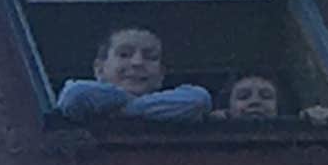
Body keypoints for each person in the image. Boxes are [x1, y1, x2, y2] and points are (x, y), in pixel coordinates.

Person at [53, 25, 218, 124]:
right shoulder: (80, 93)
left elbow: (198, 100)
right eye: (124, 54)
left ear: (161, 75)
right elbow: (76, 95)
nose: (137, 62)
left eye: (150, 57)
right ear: (99, 69)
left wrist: (117, 110)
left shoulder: (185, 100)